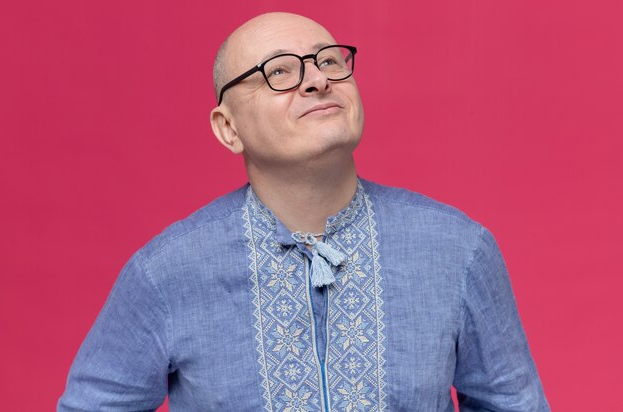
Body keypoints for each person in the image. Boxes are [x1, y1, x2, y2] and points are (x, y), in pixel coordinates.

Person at [58, 12, 550, 412]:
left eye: (330, 62)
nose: (316, 79)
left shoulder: (458, 249)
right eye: (279, 72)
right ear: (228, 128)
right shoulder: (165, 273)